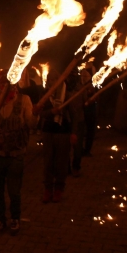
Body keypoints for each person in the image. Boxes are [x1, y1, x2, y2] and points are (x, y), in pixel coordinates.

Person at [0, 72, 38, 235]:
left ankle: (15, 218)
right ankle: (0, 218)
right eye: (2, 85)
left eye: (7, 85)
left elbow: (31, 124)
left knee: (14, 190)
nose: (4, 88)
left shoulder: (24, 101)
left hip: (16, 154)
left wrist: (36, 115)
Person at [37, 71, 80, 203]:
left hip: (63, 132)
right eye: (50, 79)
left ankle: (59, 189)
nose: (52, 81)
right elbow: (39, 113)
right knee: (48, 162)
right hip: (48, 132)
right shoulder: (44, 95)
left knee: (61, 163)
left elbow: (74, 115)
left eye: (55, 78)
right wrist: (51, 112)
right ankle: (48, 189)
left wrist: (73, 133)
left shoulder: (66, 95)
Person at [68, 71, 86, 177]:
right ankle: (70, 168)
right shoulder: (64, 89)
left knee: (77, 147)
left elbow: (85, 102)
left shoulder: (80, 89)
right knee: (68, 147)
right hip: (68, 120)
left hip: (78, 120)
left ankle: (75, 167)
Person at [80, 63, 98, 156]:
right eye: (82, 75)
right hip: (82, 110)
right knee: (81, 130)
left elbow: (95, 97)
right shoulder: (80, 85)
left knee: (90, 131)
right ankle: (80, 149)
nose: (84, 77)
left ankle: (87, 150)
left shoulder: (93, 85)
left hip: (91, 110)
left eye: (86, 75)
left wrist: (89, 102)